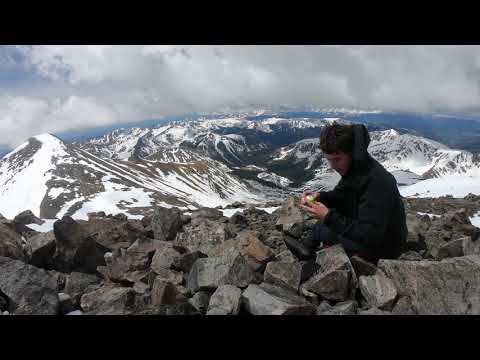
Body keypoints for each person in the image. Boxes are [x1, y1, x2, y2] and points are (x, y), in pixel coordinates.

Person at [284, 122, 408, 263]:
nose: (333, 166)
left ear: (352, 153)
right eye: (329, 160)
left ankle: (316, 262)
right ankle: (306, 248)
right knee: (327, 220)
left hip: (385, 247)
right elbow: (342, 195)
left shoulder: (376, 181)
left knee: (326, 229)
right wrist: (321, 197)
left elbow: (369, 234)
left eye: (337, 159)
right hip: (374, 234)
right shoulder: (356, 169)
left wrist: (328, 216)